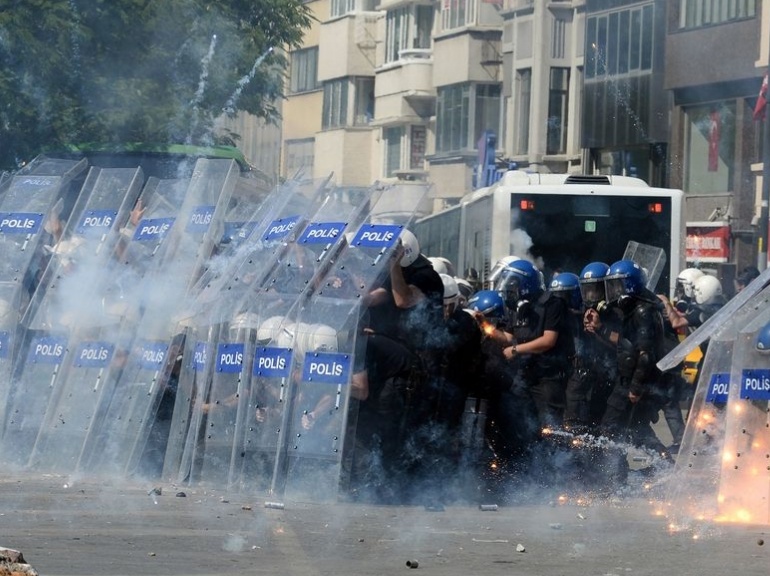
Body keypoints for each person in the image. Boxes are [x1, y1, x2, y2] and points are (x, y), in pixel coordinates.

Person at [585, 259, 671, 465]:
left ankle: (618, 475)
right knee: (636, 428)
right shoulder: (634, 309)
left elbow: (645, 354)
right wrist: (600, 329)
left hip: (634, 381)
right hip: (630, 378)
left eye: (617, 285)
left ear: (629, 285)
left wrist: (635, 387)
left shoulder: (643, 312)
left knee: (612, 427)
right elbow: (626, 343)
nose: (613, 291)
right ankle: (665, 466)